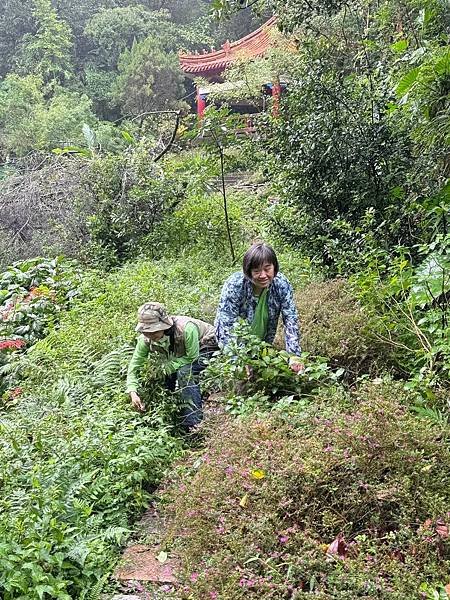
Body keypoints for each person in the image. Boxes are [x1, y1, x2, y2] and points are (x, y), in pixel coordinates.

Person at [126, 302, 218, 430]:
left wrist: (169, 367)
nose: (150, 336)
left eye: (153, 331)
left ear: (164, 326)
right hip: (182, 354)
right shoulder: (145, 340)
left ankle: (193, 424)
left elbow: (192, 356)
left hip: (206, 345)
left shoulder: (186, 328)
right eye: (146, 332)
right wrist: (133, 392)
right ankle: (171, 416)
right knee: (165, 375)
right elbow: (134, 366)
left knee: (185, 372)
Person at [215, 242, 303, 371]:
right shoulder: (235, 285)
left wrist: (294, 355)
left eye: (267, 269)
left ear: (274, 267)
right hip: (236, 344)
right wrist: (239, 359)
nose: (263, 275)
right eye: (256, 271)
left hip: (262, 342)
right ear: (248, 271)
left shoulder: (281, 284)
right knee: (240, 379)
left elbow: (290, 319)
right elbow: (226, 326)